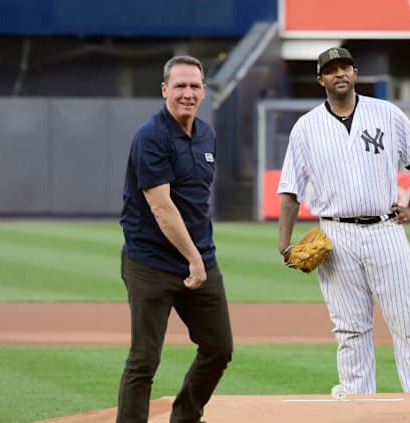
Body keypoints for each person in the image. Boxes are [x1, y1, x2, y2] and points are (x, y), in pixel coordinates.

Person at [277, 47, 410, 394]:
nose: (340, 74)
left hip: (384, 230)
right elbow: (291, 189)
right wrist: (283, 243)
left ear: (355, 72)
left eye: (345, 67)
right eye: (331, 69)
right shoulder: (306, 127)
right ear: (321, 78)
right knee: (350, 328)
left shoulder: (386, 113)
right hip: (335, 235)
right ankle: (357, 404)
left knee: (408, 321)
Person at [117, 55, 233, 423]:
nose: (188, 93)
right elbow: (162, 207)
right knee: (144, 359)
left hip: (201, 258)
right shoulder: (150, 136)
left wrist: (201, 258)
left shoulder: (206, 134)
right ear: (165, 89)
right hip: (150, 263)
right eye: (180, 86)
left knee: (218, 348)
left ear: (204, 91)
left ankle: (184, 415)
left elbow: (197, 199)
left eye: (195, 86)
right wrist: (194, 259)